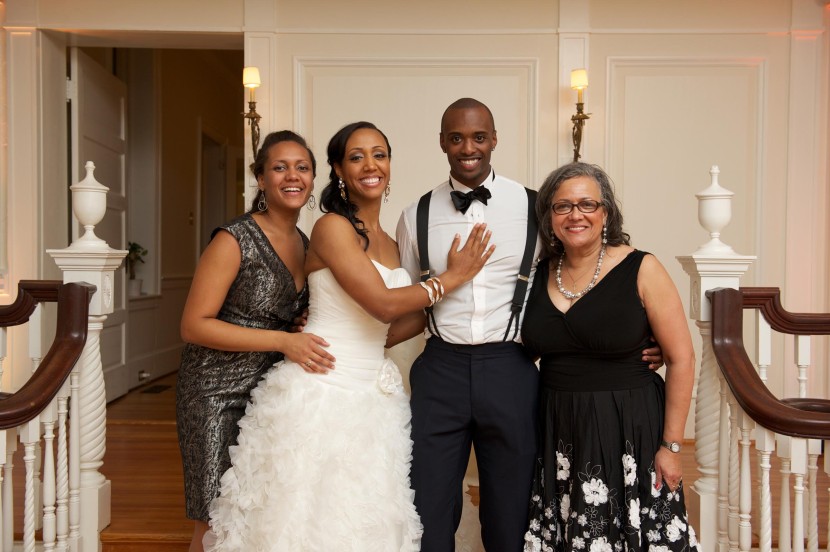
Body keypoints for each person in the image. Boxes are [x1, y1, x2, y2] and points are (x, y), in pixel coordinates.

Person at [203, 121, 495, 551]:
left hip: (375, 394)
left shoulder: (396, 242)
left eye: (380, 154)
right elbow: (381, 303)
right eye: (356, 157)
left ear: (390, 165)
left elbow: (403, 321)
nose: (370, 165)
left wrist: (445, 300)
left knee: (373, 514)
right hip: (321, 388)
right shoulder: (331, 228)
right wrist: (450, 279)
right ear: (339, 170)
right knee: (312, 520)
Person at [396, 98, 664, 552]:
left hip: (511, 367)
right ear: (442, 142)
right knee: (428, 505)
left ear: (494, 139)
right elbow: (407, 298)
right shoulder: (413, 215)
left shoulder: (536, 208)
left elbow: (583, 275)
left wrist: (642, 336)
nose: (468, 147)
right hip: (439, 367)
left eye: (478, 137)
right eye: (456, 137)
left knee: (514, 507)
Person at [521, 163, 698, 551]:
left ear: (606, 213)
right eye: (563, 206)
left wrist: (671, 447)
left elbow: (682, 358)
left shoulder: (642, 267)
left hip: (629, 425)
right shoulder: (535, 274)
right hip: (559, 429)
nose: (576, 214)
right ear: (549, 216)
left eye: (587, 203)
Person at [175, 130, 336, 552]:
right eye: (279, 167)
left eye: (302, 167)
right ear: (260, 179)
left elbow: (283, 315)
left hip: (270, 394)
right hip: (215, 390)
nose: (292, 176)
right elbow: (194, 325)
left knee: (257, 514)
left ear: (313, 178)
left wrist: (299, 325)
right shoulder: (234, 238)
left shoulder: (307, 244)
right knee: (214, 520)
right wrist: (283, 340)